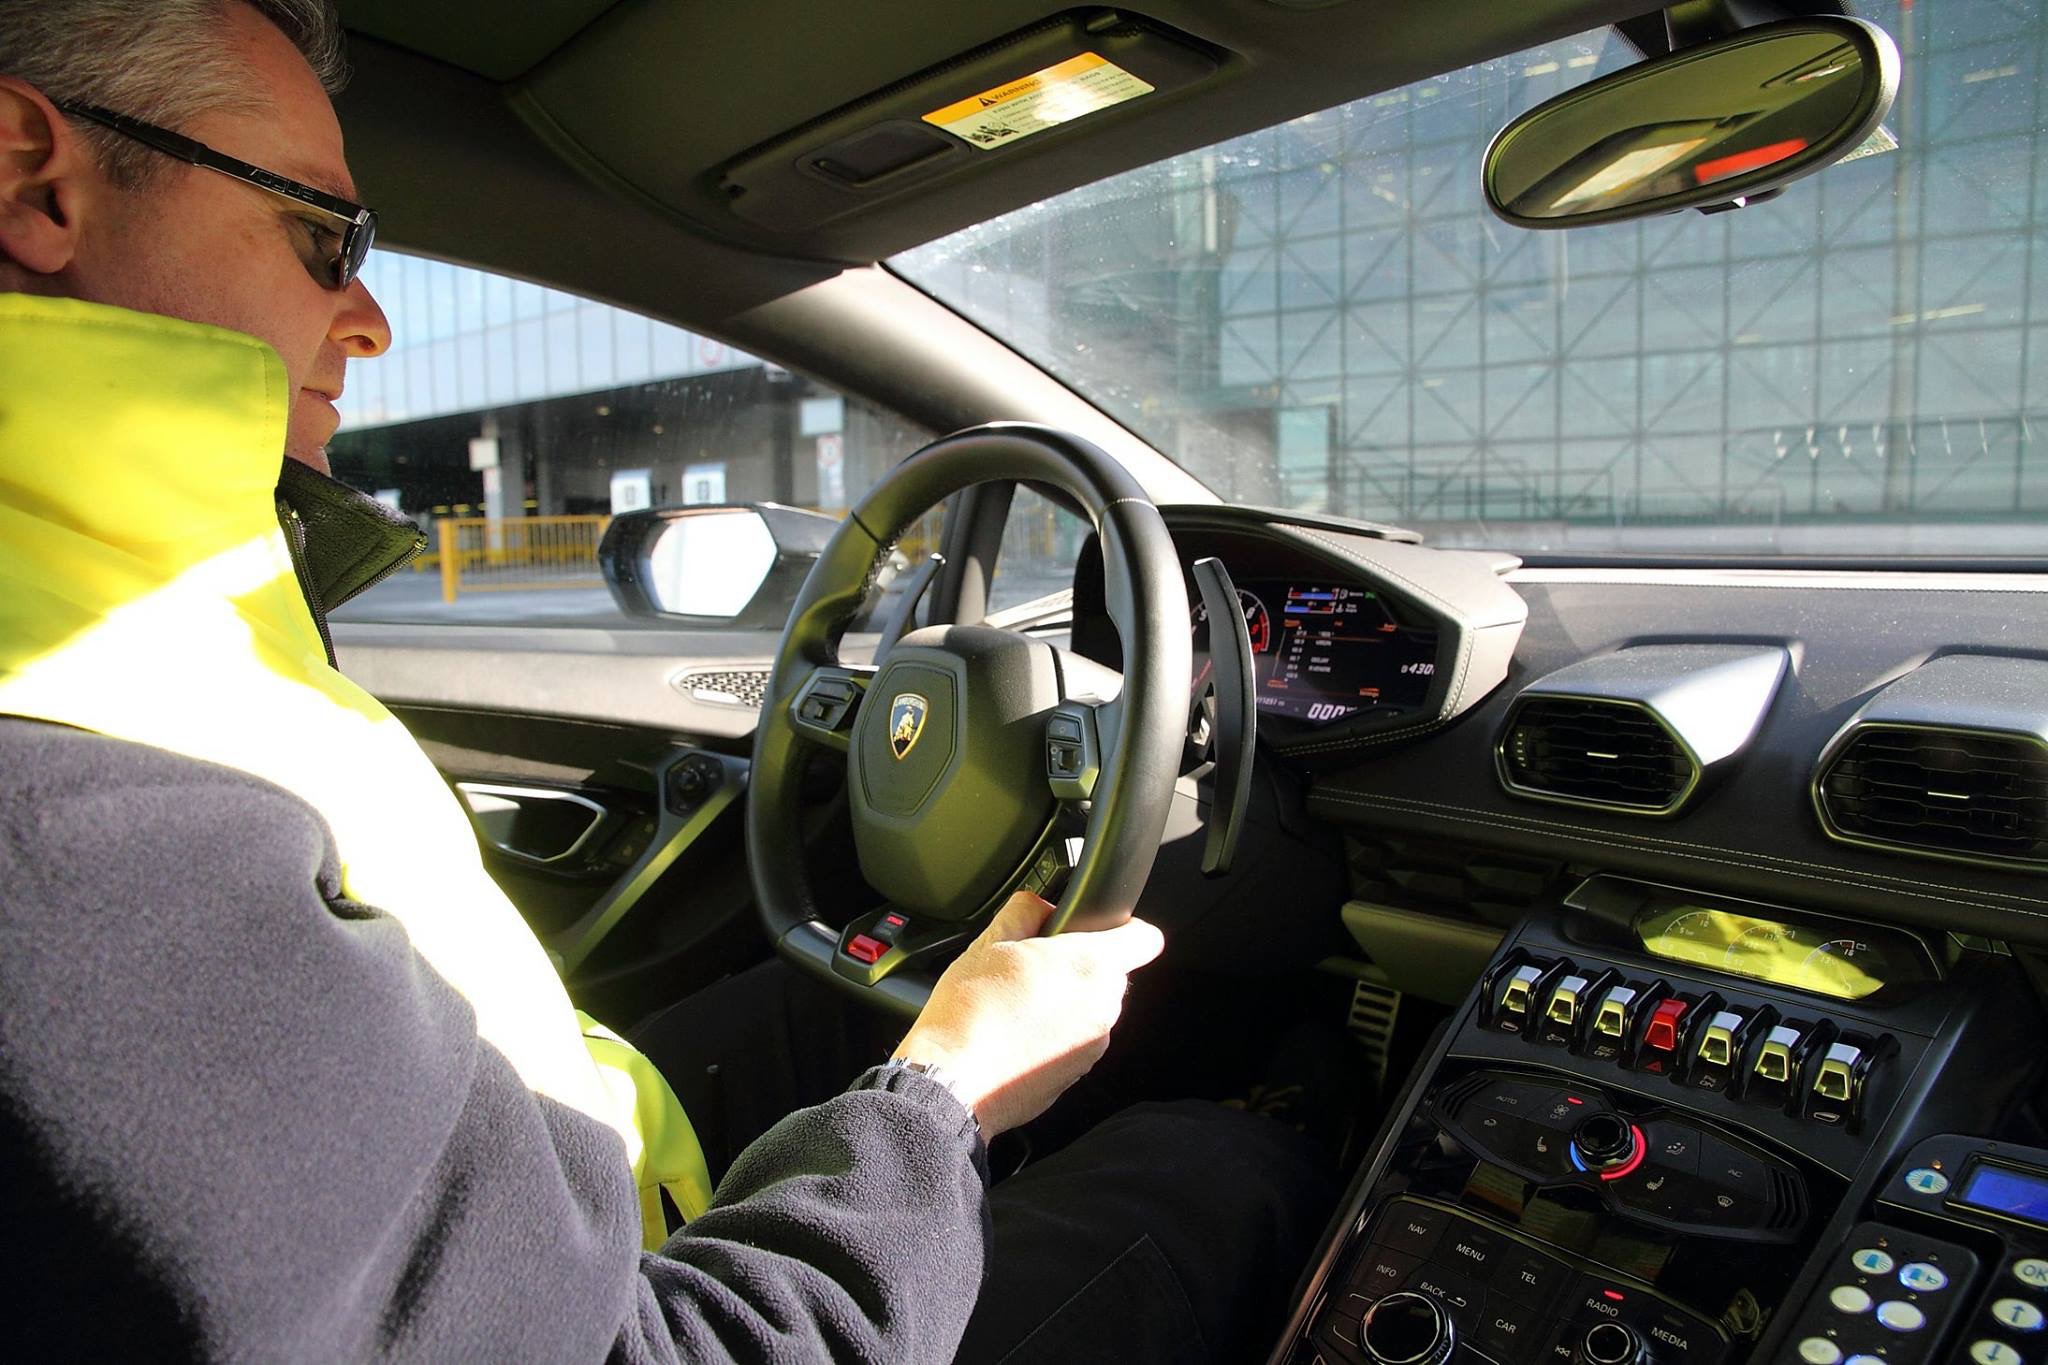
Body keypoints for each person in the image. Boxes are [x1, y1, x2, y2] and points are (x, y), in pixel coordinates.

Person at [0, 1, 1328, 1360]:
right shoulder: (62, 838)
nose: (372, 318)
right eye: (322, 235)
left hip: (556, 1181)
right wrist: (951, 1092)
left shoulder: (114, 614)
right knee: (1220, 1173)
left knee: (845, 998)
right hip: (618, 1300)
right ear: (32, 178)